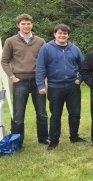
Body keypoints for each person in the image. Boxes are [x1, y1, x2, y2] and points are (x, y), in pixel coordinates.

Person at [36, 24, 86, 150]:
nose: (62, 35)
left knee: (75, 114)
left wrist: (80, 79)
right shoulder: (46, 48)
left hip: (72, 87)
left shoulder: (75, 49)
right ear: (55, 34)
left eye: (65, 33)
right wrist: (41, 84)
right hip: (54, 87)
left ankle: (74, 137)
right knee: (55, 115)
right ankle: (54, 141)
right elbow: (40, 68)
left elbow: (84, 67)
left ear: (68, 35)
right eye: (60, 33)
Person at [1, 13, 48, 147]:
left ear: (32, 25)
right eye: (23, 24)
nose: (26, 26)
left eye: (28, 23)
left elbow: (46, 60)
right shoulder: (10, 41)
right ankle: (17, 141)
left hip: (37, 81)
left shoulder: (40, 41)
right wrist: (12, 77)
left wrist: (44, 77)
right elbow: (4, 61)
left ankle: (44, 138)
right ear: (18, 25)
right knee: (18, 114)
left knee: (42, 112)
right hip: (19, 81)